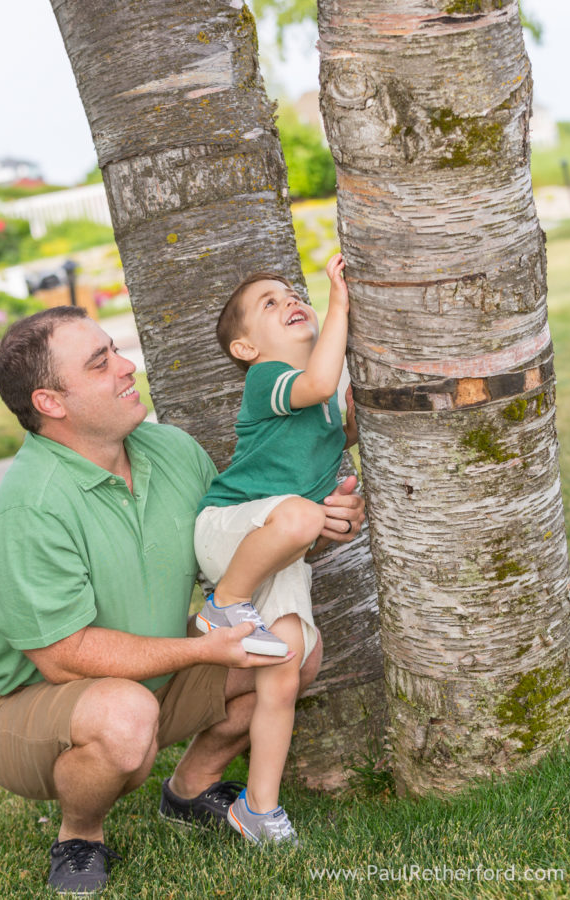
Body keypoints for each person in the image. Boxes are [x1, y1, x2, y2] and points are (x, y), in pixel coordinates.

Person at [0, 304, 365, 895]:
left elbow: (231, 546)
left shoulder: (170, 450)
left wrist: (317, 524)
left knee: (290, 647)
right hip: (24, 705)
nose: (126, 366)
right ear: (50, 402)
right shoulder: (28, 509)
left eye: (115, 350)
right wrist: (206, 649)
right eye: (100, 363)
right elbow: (64, 658)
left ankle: (190, 789)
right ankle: (80, 835)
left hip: (150, 667)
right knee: (124, 716)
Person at [193, 253, 357, 845]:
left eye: (293, 293)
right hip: (230, 532)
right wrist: (339, 301)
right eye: (270, 302)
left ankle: (258, 809)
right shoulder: (268, 379)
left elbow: (342, 416)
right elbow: (318, 383)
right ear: (246, 349)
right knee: (299, 515)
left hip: (281, 550)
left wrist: (344, 504)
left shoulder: (326, 397)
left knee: (284, 665)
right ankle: (222, 605)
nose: (291, 300)